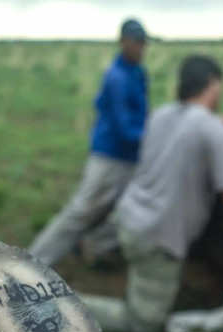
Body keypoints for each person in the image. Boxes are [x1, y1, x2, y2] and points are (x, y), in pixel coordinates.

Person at [81, 55, 223, 332]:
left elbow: (186, 133)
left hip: (128, 220)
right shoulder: (212, 130)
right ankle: (59, 309)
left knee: (145, 280)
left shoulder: (161, 115)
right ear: (212, 85)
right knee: (144, 322)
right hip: (157, 238)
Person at [29, 18, 148, 266]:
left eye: (143, 43)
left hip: (129, 157)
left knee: (130, 209)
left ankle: (92, 245)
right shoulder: (117, 77)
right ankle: (31, 262)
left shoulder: (138, 73)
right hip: (110, 157)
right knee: (81, 211)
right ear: (123, 42)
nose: (141, 48)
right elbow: (124, 128)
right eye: (136, 42)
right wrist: (153, 137)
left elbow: (140, 116)